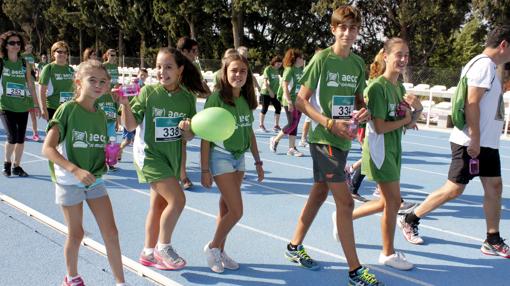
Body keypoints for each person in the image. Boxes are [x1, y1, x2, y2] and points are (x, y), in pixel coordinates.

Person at [287, 6, 383, 285]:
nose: (347, 32)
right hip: (322, 138)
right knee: (344, 201)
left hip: (343, 139)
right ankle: (355, 271)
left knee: (318, 194)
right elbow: (300, 100)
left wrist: (362, 111)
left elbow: (358, 100)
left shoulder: (357, 64)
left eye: (353, 28)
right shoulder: (321, 59)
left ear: (357, 31)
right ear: (333, 29)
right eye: (342, 27)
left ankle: (294, 246)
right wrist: (329, 123)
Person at [398, 25, 510, 259]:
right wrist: (476, 139)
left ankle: (492, 239)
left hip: (486, 142)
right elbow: (472, 103)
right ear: (504, 45)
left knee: (494, 187)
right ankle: (410, 218)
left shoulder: (489, 67)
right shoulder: (483, 65)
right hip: (471, 141)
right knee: (454, 189)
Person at [120, 47, 207, 270]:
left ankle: (148, 252)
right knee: (178, 200)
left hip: (172, 158)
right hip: (149, 155)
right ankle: (163, 246)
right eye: (158, 66)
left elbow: (188, 136)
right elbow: (129, 126)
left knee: (158, 206)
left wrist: (188, 128)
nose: (162, 71)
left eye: (168, 67)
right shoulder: (148, 93)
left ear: (180, 70)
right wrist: (124, 104)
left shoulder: (187, 98)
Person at [337, 38, 420, 271]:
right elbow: (380, 127)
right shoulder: (376, 88)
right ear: (386, 56)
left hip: (395, 148)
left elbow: (404, 124)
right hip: (379, 149)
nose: (403, 59)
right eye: (398, 55)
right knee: (393, 202)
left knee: (387, 201)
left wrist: (418, 111)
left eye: (406, 55)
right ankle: (387, 253)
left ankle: (344, 218)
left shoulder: (399, 87)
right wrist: (405, 119)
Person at [41, 59, 126, 286]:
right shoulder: (67, 110)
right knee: (76, 234)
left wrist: (109, 158)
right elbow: (47, 149)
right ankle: (71, 277)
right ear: (78, 82)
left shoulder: (101, 114)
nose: (98, 85)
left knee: (111, 232)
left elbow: (98, 146)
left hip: (95, 180)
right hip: (69, 181)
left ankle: (121, 282)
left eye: (103, 81)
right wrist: (75, 169)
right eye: (92, 80)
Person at [200, 53, 264, 273]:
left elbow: (250, 133)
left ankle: (220, 251)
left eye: (243, 71)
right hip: (221, 157)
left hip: (240, 158)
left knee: (226, 207)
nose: (238, 75)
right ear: (224, 73)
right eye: (234, 70)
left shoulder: (245, 100)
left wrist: (258, 161)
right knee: (237, 211)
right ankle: (213, 246)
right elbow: (205, 135)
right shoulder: (216, 99)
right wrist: (204, 169)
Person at [0, 31, 40, 177]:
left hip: (23, 105)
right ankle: (7, 164)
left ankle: (17, 166)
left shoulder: (25, 63)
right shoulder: (1, 62)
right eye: (12, 43)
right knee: (12, 136)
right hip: (5, 105)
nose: (15, 45)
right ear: (5, 45)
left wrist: (36, 105)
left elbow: (30, 85)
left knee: (20, 138)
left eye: (18, 43)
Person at [176, 36, 210, 190]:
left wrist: (210, 94)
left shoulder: (195, 68)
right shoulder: (173, 65)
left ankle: (182, 176)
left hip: (187, 107)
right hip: (170, 106)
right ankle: (179, 175)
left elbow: (201, 89)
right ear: (183, 51)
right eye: (193, 51)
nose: (196, 54)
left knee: (182, 141)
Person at [270, 48, 305, 157]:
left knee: (295, 124)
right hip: (289, 100)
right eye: (301, 57)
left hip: (298, 101)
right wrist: (289, 101)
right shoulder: (289, 70)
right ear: (295, 59)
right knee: (292, 123)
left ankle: (291, 148)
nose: (303, 59)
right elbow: (285, 86)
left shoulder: (300, 70)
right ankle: (275, 140)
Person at [39, 41, 75, 121]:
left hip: (68, 108)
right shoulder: (48, 68)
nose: (62, 54)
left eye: (65, 52)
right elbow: (42, 91)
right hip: (53, 108)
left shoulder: (71, 69)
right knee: (55, 133)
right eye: (59, 52)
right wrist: (43, 109)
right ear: (53, 53)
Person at [117, 68, 148, 161]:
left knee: (138, 139)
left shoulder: (144, 88)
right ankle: (118, 151)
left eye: (144, 76)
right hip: (129, 115)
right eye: (141, 75)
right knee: (127, 140)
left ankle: (140, 157)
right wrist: (119, 119)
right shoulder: (132, 85)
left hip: (138, 116)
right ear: (137, 74)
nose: (142, 77)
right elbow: (124, 100)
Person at [259, 55, 282, 132]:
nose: (279, 65)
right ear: (274, 63)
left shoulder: (277, 70)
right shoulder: (268, 69)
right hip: (266, 92)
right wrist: (270, 91)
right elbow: (265, 82)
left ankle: (276, 125)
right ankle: (261, 125)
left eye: (280, 64)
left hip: (275, 93)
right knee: (265, 108)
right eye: (278, 64)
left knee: (278, 107)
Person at [22, 42, 40, 141]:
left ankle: (35, 133)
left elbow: (33, 67)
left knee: (33, 116)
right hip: (23, 97)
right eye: (28, 47)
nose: (30, 49)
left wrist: (35, 73)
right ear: (25, 48)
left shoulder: (32, 56)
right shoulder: (22, 56)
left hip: (31, 97)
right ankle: (23, 133)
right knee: (23, 117)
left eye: (31, 47)